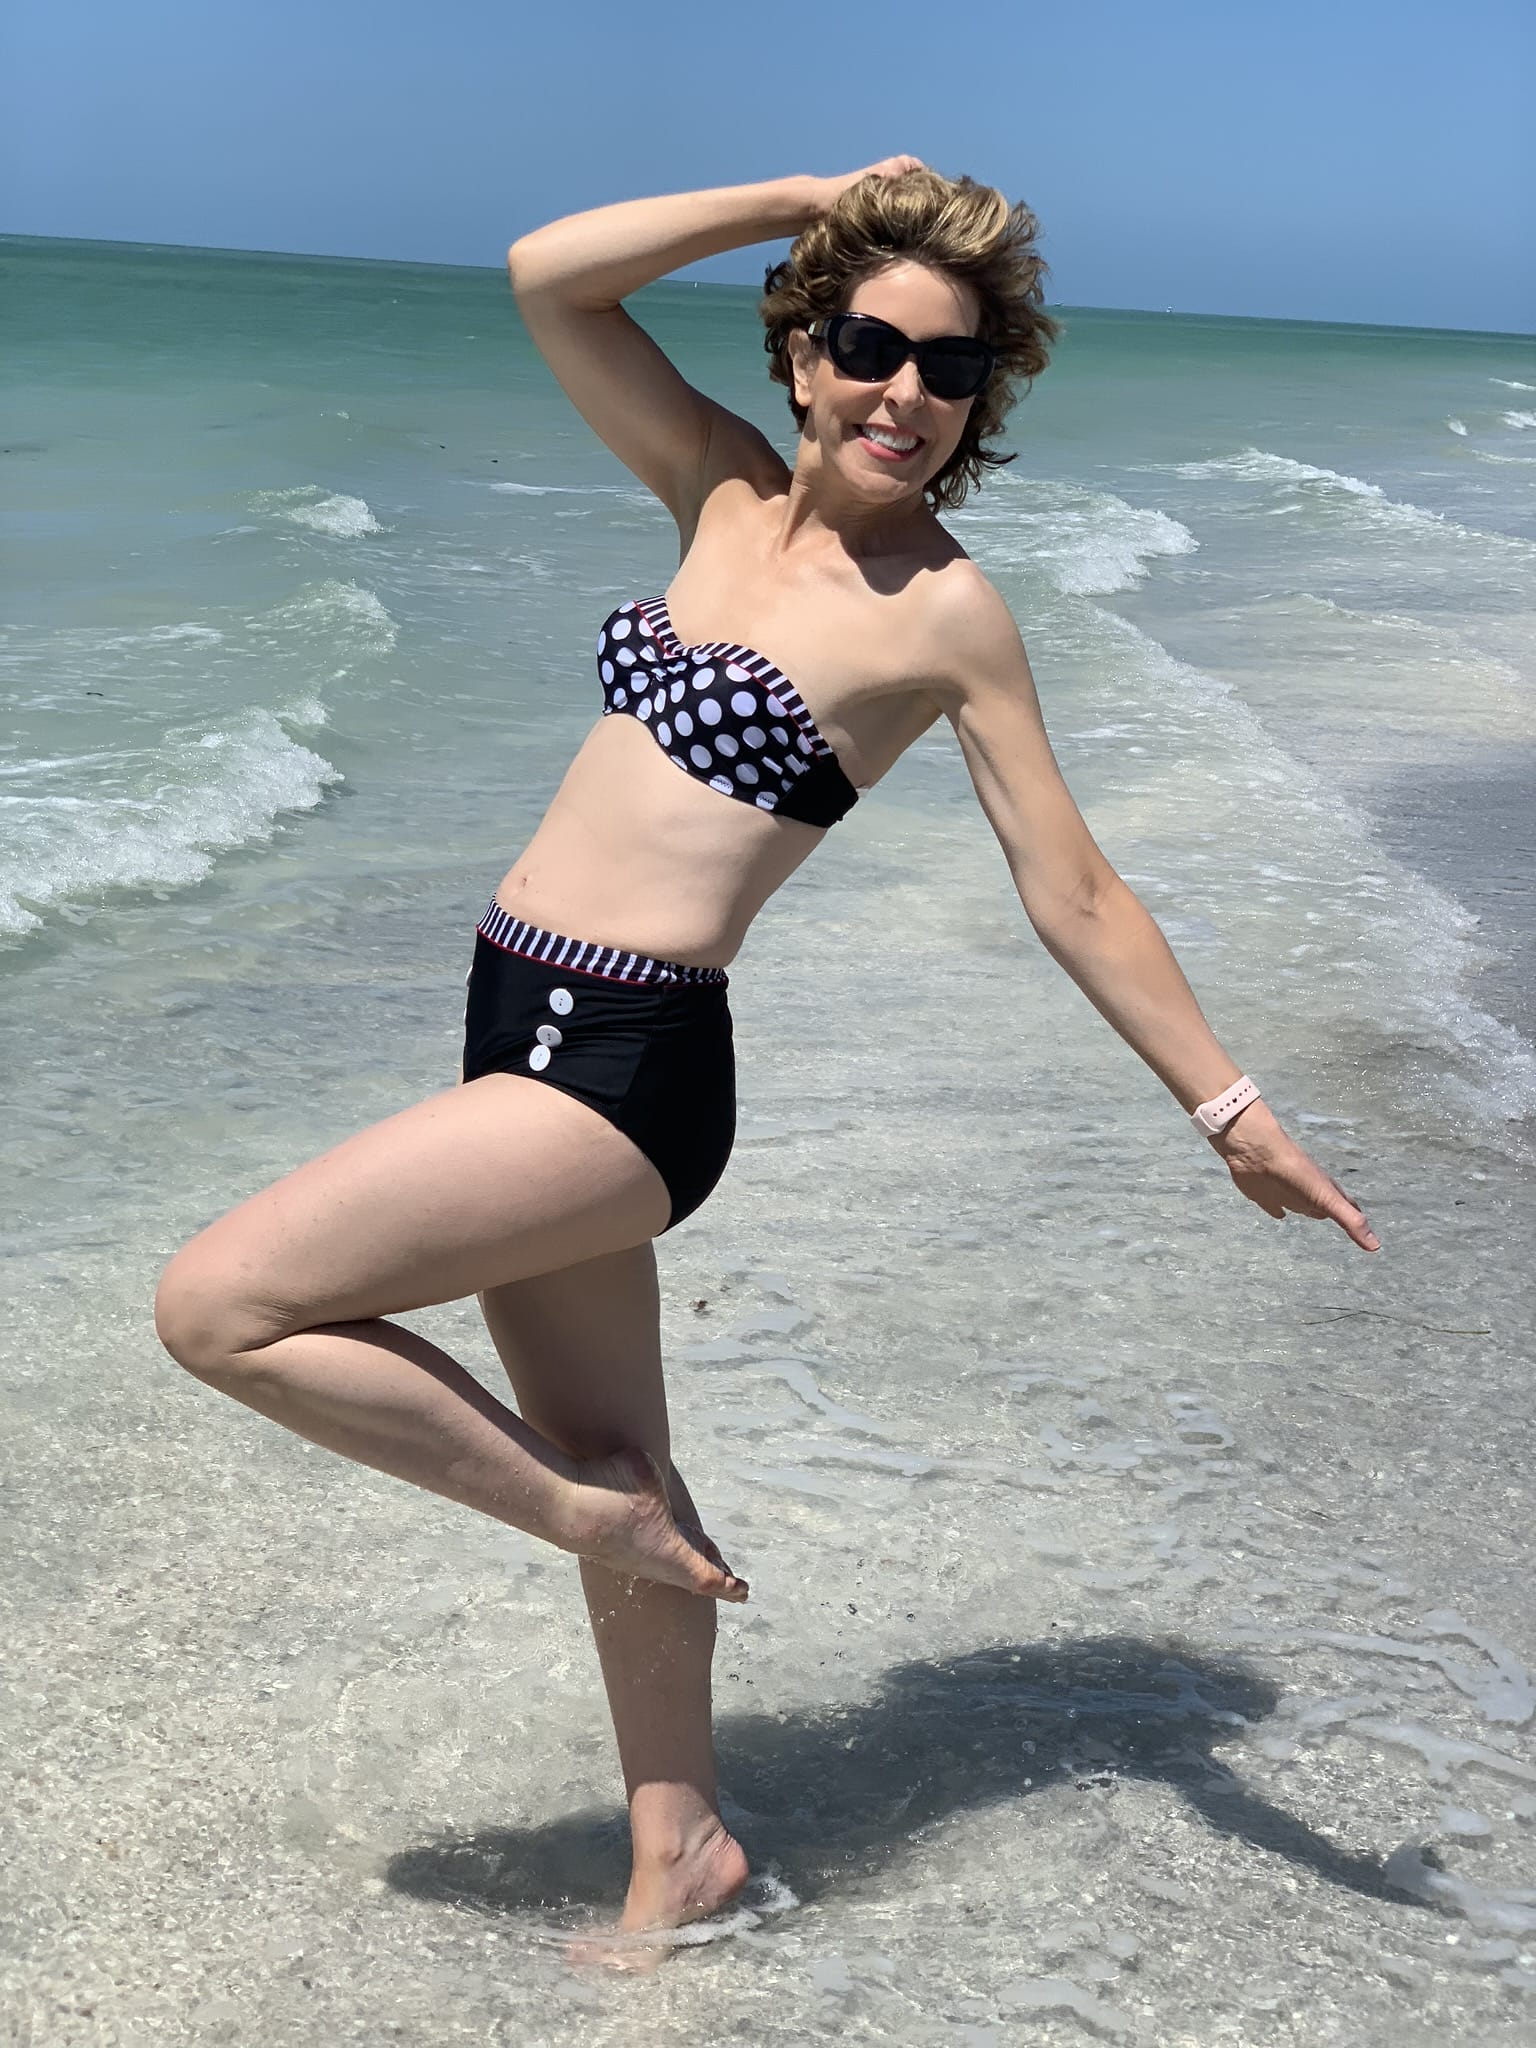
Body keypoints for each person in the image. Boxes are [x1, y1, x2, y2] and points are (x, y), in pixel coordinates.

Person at [154, 159, 1380, 1949]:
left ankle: (585, 1518)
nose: (905, 392)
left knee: (224, 1307)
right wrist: (811, 193)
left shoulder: (944, 614)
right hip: (514, 1006)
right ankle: (688, 1852)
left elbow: (1078, 889)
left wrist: (1232, 1108)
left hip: (626, 1079)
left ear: (981, 404)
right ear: (807, 354)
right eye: (871, 343)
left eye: (949, 370)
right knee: (615, 1439)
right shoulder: (713, 488)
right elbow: (548, 277)